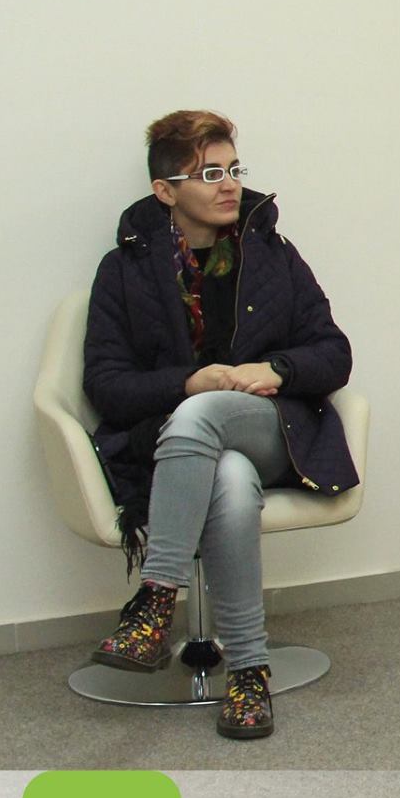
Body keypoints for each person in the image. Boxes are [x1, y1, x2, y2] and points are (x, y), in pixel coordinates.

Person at [84, 110, 357, 740]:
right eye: (209, 173)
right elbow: (105, 384)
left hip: (273, 430)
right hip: (177, 444)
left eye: (234, 168)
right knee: (227, 473)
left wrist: (276, 370)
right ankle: (249, 672)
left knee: (209, 418)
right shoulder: (123, 271)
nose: (230, 183)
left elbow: (334, 353)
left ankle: (156, 598)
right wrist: (188, 382)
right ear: (165, 191)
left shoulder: (273, 256)